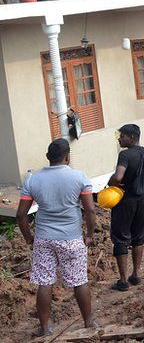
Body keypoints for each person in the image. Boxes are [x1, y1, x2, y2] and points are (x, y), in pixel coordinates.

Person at [16, 139, 98, 336]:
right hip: (71, 238)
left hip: (44, 239)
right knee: (79, 281)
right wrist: (89, 234)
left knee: (45, 282)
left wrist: (29, 238)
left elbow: (21, 215)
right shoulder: (79, 178)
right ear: (68, 156)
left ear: (47, 157)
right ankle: (88, 323)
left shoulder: (33, 180)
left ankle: (44, 328)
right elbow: (90, 211)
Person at [107, 124, 144, 291]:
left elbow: (118, 176)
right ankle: (135, 275)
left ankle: (122, 280)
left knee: (120, 238)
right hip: (142, 201)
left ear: (131, 138)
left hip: (124, 201)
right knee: (138, 237)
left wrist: (110, 184)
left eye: (122, 136)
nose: (120, 139)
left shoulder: (125, 154)